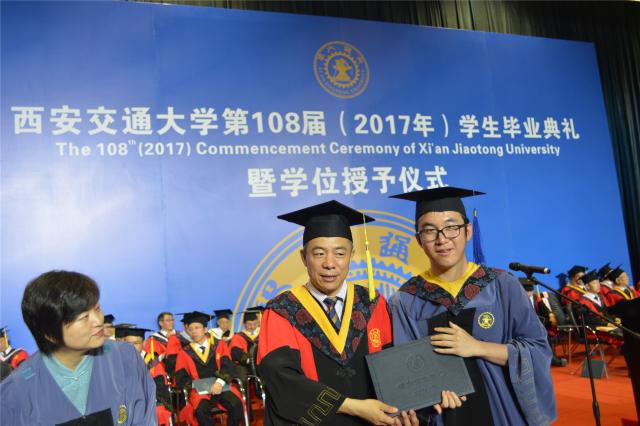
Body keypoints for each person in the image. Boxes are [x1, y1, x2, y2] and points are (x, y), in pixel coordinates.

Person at [388, 187, 556, 426]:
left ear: (468, 231)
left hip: (500, 413)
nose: (442, 239)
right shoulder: (406, 300)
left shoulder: (502, 285)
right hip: (444, 417)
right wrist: (428, 399)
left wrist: (478, 347)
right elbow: (408, 373)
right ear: (419, 240)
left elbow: (537, 348)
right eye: (429, 231)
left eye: (451, 227)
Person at [258, 200, 418, 426]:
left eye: (340, 253)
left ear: (352, 256)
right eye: (319, 253)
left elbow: (395, 369)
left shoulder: (372, 303)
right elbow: (282, 381)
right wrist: (354, 407)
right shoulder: (282, 311)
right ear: (304, 257)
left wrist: (405, 407)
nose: (329, 264)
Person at [0, 270, 156, 425]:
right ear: (50, 333)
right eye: (84, 317)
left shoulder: (124, 359)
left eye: (97, 309)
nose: (98, 321)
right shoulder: (17, 393)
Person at [174, 311, 243, 426]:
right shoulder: (184, 352)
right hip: (200, 392)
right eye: (190, 329)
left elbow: (227, 366)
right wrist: (198, 385)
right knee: (201, 411)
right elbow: (181, 377)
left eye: (197, 328)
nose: (194, 331)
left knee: (236, 404)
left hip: (221, 386)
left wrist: (219, 383)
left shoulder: (219, 345)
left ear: (205, 329)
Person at [116, 325, 173, 426]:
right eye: (129, 343)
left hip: (149, 401)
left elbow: (160, 389)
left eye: (136, 343)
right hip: (124, 402)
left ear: (144, 343)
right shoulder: (117, 362)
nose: (132, 347)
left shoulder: (152, 363)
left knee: (159, 412)